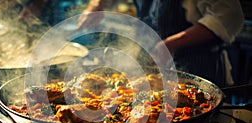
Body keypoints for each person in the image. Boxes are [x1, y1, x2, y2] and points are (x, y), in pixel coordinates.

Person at [78, 0, 245, 87]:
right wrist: (96, 5)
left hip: (197, 69)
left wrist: (169, 45)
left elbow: (229, 17)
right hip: (155, 69)